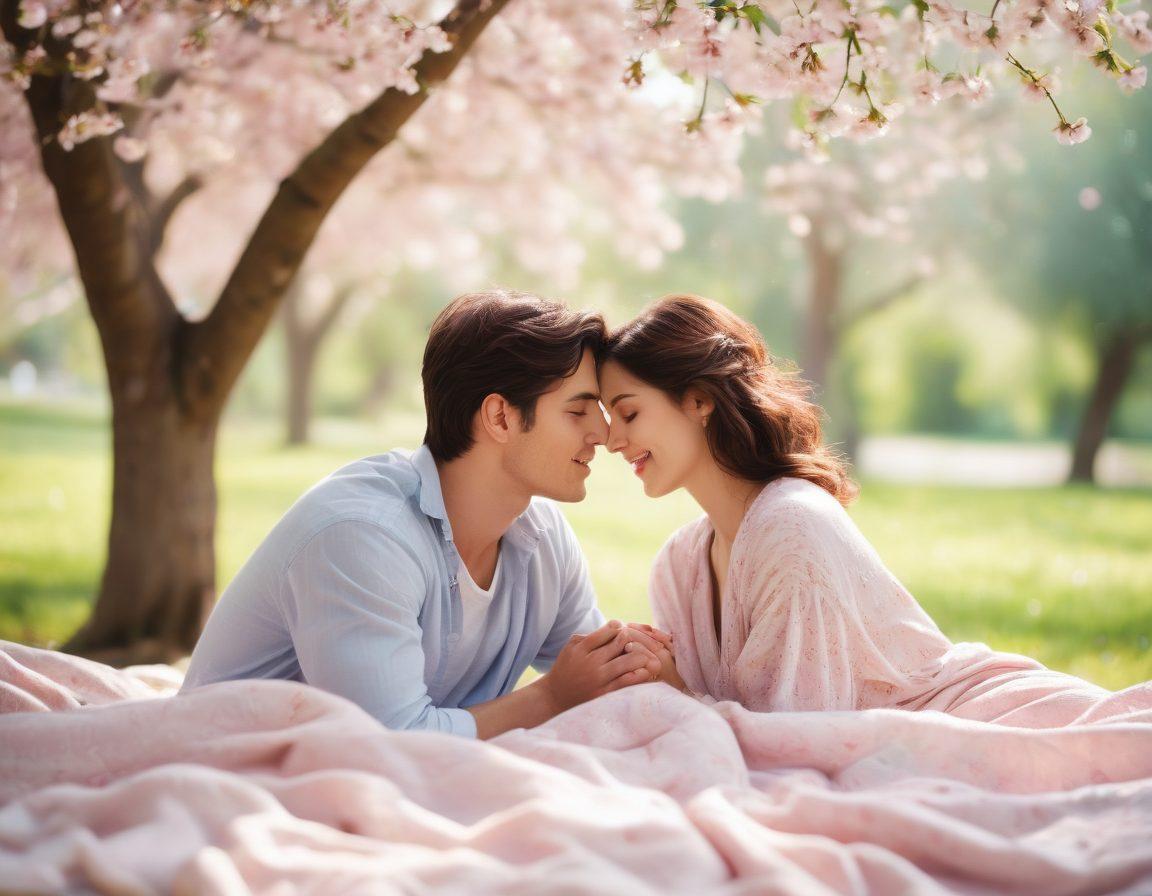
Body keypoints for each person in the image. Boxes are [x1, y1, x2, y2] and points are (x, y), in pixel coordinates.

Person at [598, 293, 1148, 728]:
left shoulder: (792, 525)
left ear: (699, 400)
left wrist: (671, 687)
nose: (612, 440)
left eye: (628, 413)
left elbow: (798, 735)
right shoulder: (677, 567)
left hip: (961, 723)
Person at [183, 289, 670, 739]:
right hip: (232, 759)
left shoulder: (542, 538)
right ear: (500, 417)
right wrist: (551, 697)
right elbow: (390, 740)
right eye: (577, 411)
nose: (604, 435)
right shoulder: (363, 536)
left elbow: (597, 674)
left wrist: (641, 660)